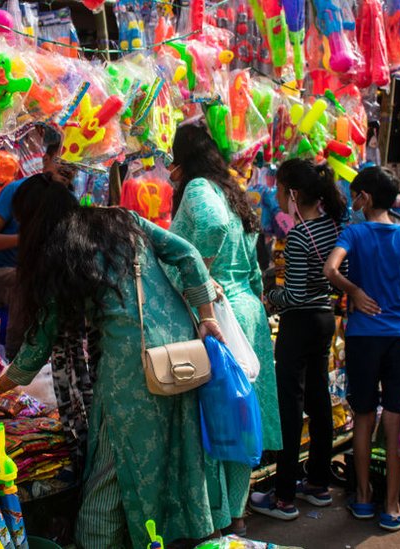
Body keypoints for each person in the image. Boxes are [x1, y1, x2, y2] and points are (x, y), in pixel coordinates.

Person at [0, 174, 225, 548]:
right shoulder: (122, 219)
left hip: (132, 364)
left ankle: (97, 541)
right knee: (178, 450)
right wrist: (206, 316)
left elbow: (37, 347)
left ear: (31, 221)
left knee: (114, 462)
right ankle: (183, 536)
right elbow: (188, 255)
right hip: (183, 350)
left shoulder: (58, 252)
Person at [168, 125, 282, 536]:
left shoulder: (199, 188)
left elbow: (212, 230)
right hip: (246, 310)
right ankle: (234, 513)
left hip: (219, 312)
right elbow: (254, 268)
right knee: (239, 419)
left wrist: (203, 276)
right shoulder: (229, 191)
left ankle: (214, 522)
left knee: (217, 416)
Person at [322, 167, 400, 532]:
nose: (352, 202)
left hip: (362, 338)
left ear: (364, 198)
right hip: (399, 338)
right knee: (394, 420)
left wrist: (352, 291)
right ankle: (393, 506)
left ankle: (365, 498)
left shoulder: (353, 232)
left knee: (364, 418)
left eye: (355, 195)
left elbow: (330, 269)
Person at [248, 159, 346, 520]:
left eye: (278, 189)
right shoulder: (334, 226)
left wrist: (269, 297)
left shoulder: (301, 235)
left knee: (291, 406)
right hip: (324, 319)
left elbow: (295, 295)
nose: (275, 195)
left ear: (293, 193)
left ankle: (283, 496)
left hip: (300, 322)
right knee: (319, 401)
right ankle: (318, 483)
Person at [0, 132, 74, 358]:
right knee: (25, 280)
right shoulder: (17, 190)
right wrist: (27, 237)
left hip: (35, 274)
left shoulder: (67, 201)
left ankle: (57, 355)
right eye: (61, 161)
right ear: (46, 160)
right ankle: (16, 359)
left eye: (71, 164)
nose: (66, 168)